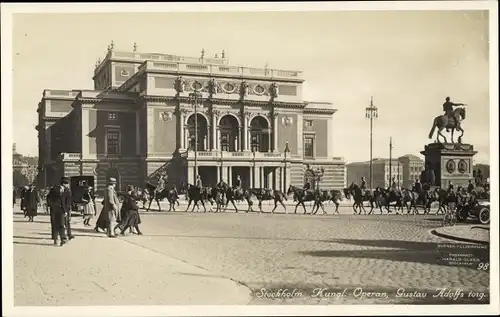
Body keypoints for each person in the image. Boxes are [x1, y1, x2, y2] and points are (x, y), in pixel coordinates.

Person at [46, 177, 71, 246]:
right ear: (64, 184)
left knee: (62, 224)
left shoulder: (67, 191)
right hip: (54, 210)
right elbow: (48, 198)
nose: (67, 185)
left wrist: (66, 211)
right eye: (67, 184)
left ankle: (63, 239)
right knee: (54, 224)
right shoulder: (54, 189)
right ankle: (55, 239)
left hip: (62, 210)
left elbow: (68, 202)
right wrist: (51, 205)